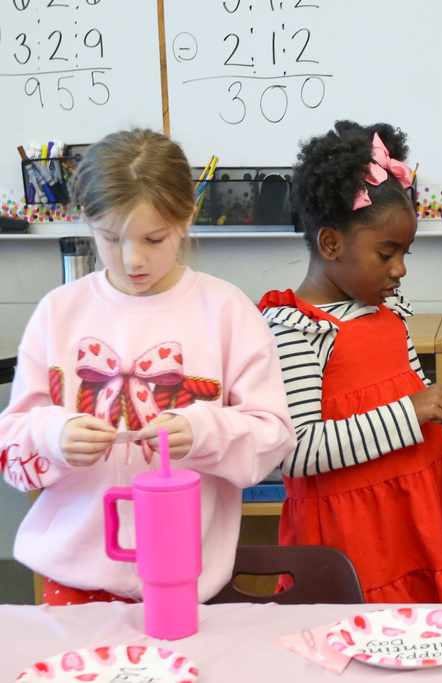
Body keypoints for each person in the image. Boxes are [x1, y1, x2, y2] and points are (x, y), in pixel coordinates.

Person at [0, 129, 296, 605]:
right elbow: (12, 450)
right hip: (74, 577)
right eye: (111, 238)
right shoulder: (59, 313)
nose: (132, 259)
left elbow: (274, 438)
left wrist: (205, 432)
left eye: (153, 239)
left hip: (187, 579)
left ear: (188, 218)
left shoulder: (226, 312)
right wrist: (51, 437)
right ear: (87, 222)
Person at [258, 120, 442, 603]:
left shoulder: (386, 315)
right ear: (330, 243)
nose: (401, 268)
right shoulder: (294, 327)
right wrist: (414, 411)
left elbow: (414, 404)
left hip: (420, 523)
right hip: (356, 544)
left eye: (405, 252)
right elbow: (297, 451)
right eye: (386, 252)